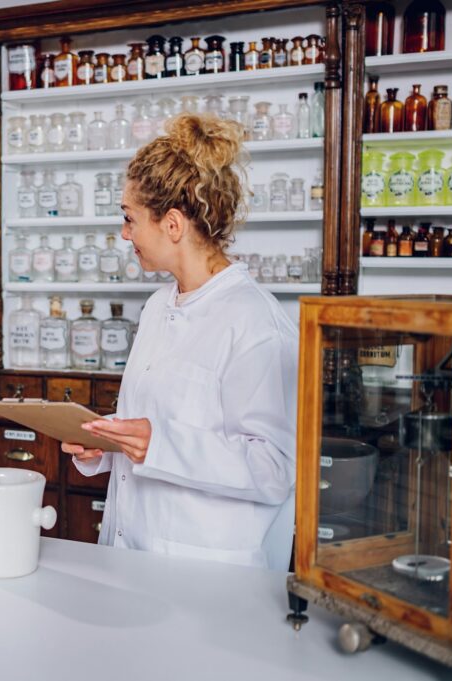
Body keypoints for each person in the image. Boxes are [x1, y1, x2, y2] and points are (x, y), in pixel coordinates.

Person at [62, 114, 299, 569]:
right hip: (134, 554)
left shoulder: (256, 322)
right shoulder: (158, 306)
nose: (124, 234)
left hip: (207, 573)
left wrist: (160, 445)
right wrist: (107, 444)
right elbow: (160, 423)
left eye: (129, 219)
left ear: (172, 224)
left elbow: (275, 469)